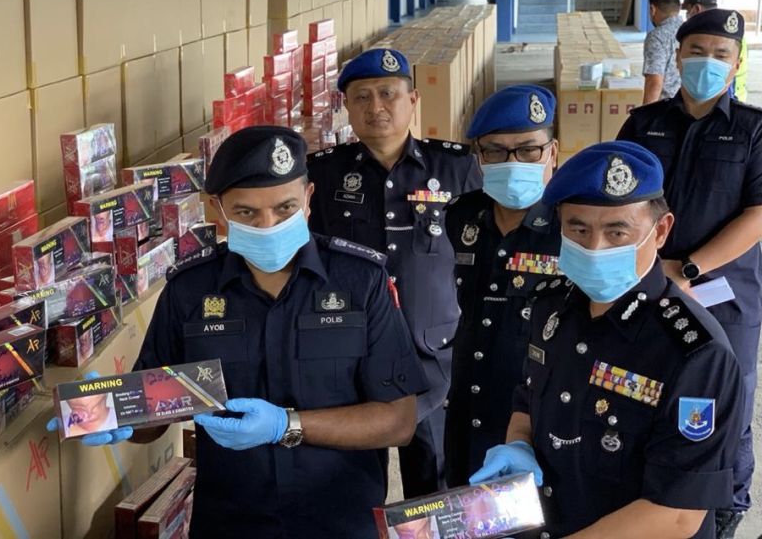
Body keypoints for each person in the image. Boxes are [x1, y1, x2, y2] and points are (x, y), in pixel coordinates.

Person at [51, 126, 428, 538]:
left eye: (284, 208)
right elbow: (155, 417)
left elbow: (397, 420)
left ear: (308, 199)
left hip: (340, 522)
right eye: (247, 212)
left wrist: (287, 425)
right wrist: (115, 412)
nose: (268, 225)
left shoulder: (360, 282)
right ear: (218, 209)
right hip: (229, 523)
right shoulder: (189, 291)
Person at [470, 141, 744, 539]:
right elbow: (528, 399)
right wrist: (519, 445)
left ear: (661, 229)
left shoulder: (694, 352)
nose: (594, 247)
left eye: (617, 231)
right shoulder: (550, 308)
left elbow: (678, 514)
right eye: (577, 229)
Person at [307, 48, 482, 496]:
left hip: (433, 350)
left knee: (434, 474)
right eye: (361, 97)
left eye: (388, 94)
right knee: (353, 476)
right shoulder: (323, 174)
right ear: (346, 106)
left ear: (413, 99)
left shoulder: (458, 169)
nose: (376, 107)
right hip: (350, 348)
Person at [617, 8, 762, 538]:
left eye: (720, 54)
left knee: (725, 401)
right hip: (646, 289)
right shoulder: (644, 122)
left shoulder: (753, 129)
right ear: (677, 56)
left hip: (727, 296)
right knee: (646, 390)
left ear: (736, 61)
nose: (706, 62)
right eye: (696, 51)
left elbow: (759, 214)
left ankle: (726, 508)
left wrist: (690, 267)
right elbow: (620, 199)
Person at [443, 84, 561, 488]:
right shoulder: (461, 217)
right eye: (495, 150)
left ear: (552, 153)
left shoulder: (574, 229)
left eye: (528, 149)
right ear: (478, 156)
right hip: (466, 404)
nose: (513, 162)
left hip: (537, 418)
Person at [681, 0, 748, 103]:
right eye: (697, 53)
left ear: (696, 9)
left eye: (687, 11)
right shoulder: (734, 36)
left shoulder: (700, 38)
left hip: (727, 97)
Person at [643, 0, 683, 104]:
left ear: (652, 9)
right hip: (691, 108)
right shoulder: (691, 31)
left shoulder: (656, 37)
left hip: (666, 110)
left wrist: (646, 118)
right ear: (679, 7)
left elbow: (654, 81)